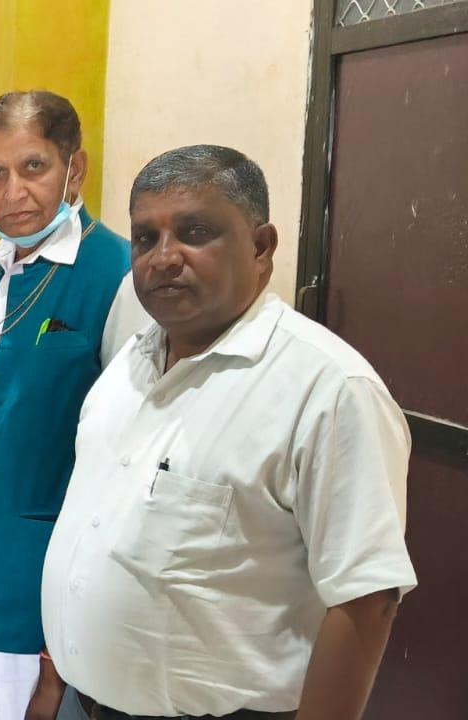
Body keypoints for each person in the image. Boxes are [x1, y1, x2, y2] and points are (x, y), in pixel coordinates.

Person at [42, 145, 416, 720]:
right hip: (88, 700)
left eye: (195, 232)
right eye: (145, 238)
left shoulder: (328, 389)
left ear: (261, 247)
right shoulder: (130, 362)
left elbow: (367, 599)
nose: (163, 258)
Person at [0, 90, 146, 720]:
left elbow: (129, 456)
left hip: (41, 582)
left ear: (76, 168)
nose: (12, 191)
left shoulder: (117, 274)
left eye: (33, 167)